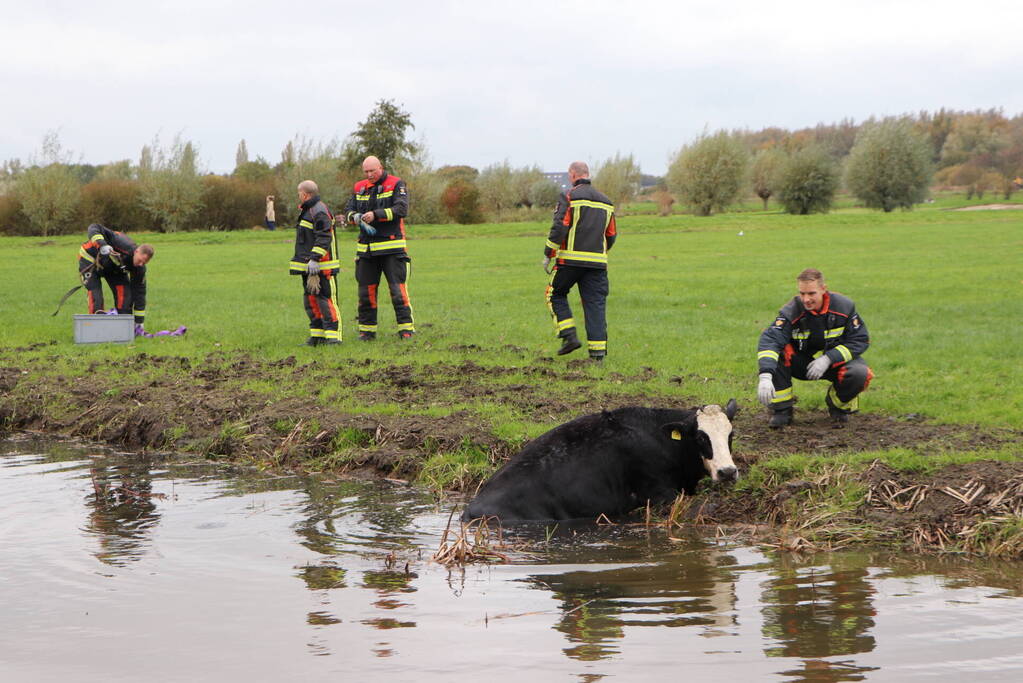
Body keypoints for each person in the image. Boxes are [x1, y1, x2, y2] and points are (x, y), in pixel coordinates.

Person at [757, 268, 873, 427]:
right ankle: (782, 410)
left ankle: (837, 406)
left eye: (811, 293)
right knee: (778, 351)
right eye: (802, 293)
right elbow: (770, 339)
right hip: (801, 365)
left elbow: (860, 339)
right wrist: (765, 375)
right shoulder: (791, 311)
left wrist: (828, 358)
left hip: (834, 363)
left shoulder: (844, 307)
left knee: (860, 373)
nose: (806, 299)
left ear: (824, 289)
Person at [543, 161, 617, 361]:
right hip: (597, 264)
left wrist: (548, 253)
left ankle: (569, 336)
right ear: (587, 174)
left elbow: (560, 227)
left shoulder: (569, 196)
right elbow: (611, 235)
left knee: (554, 294)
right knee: (595, 306)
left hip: (569, 262)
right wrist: (599, 252)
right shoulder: (606, 202)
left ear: (573, 174)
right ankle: (597, 356)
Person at [343, 156, 414, 340]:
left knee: (397, 292)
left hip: (392, 249)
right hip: (366, 251)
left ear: (380, 167)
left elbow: (401, 209)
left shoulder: (396, 184)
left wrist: (376, 214)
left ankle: (406, 330)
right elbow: (348, 210)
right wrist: (355, 217)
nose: (369, 175)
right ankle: (367, 332)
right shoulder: (359, 187)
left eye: (372, 171)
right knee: (365, 293)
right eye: (366, 171)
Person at [290, 180, 341, 346]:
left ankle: (333, 338)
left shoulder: (318, 211)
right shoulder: (309, 210)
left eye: (299, 193)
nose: (298, 196)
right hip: (310, 267)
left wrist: (314, 258)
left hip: (322, 267)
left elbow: (324, 236)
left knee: (325, 301)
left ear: (305, 194)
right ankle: (317, 336)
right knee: (311, 301)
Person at [78, 224, 154, 335]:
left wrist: (139, 322)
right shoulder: (122, 243)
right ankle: (96, 331)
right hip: (90, 259)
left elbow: (140, 294)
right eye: (140, 260)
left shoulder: (139, 269)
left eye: (144, 263)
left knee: (125, 295)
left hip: (112, 267)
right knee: (95, 294)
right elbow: (94, 227)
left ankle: (124, 330)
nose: (140, 264)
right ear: (136, 251)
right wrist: (102, 245)